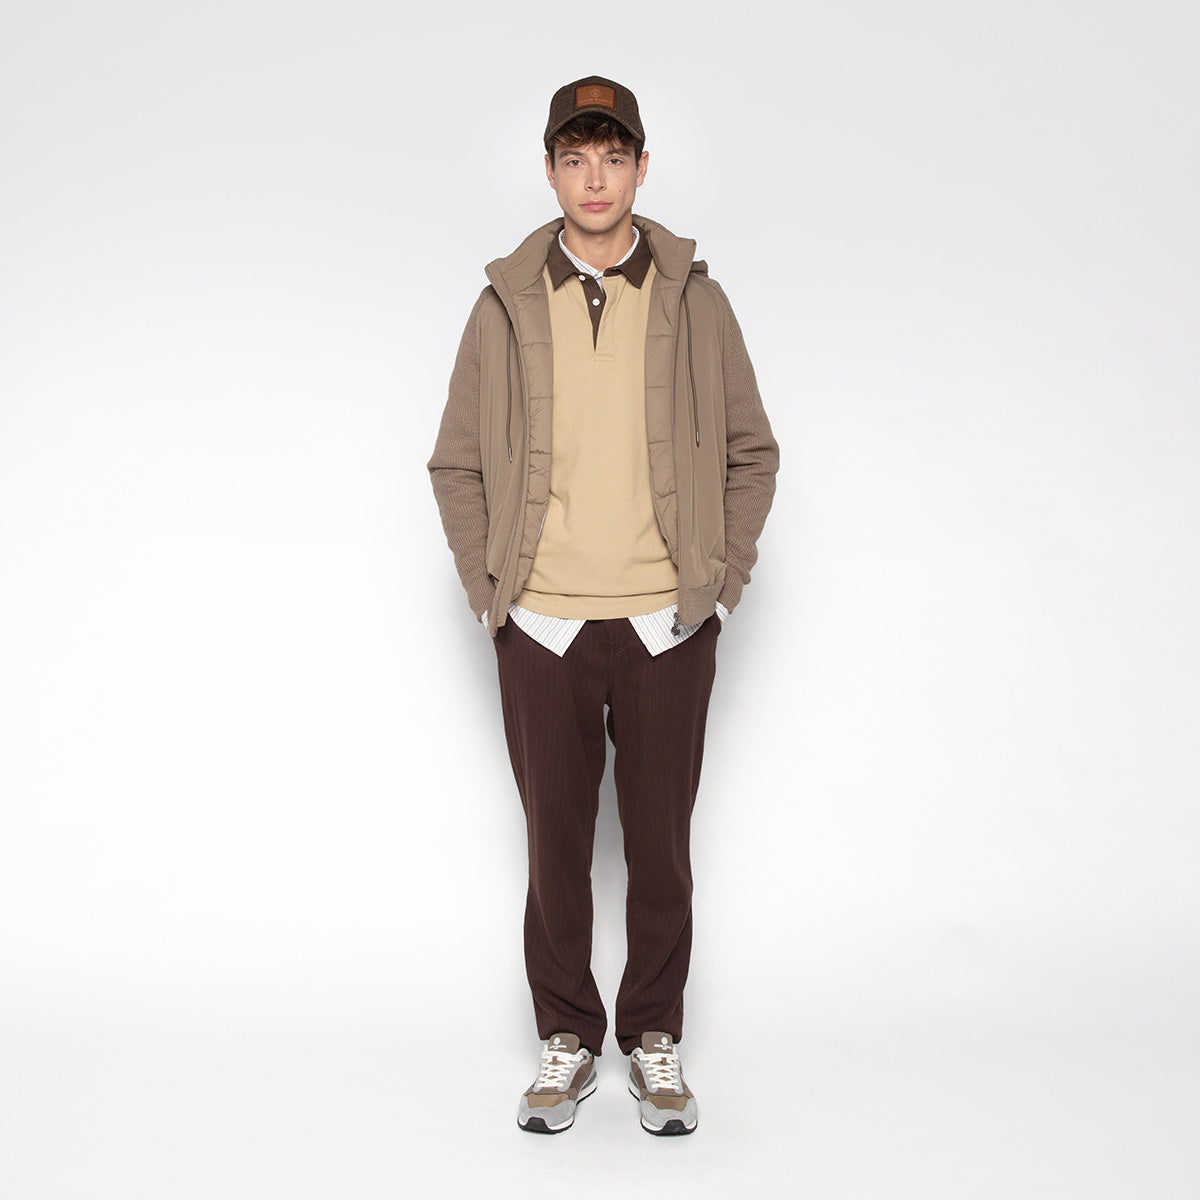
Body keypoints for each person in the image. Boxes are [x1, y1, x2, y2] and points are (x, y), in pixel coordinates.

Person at [428, 75, 779, 1136]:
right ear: (549, 171)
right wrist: (491, 592)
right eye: (575, 159)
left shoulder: (696, 301)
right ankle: (568, 1039)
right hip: (542, 621)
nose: (595, 178)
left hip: (668, 621)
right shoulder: (503, 305)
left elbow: (752, 452)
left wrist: (719, 585)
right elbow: (456, 463)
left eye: (613, 157)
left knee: (662, 848)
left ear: (640, 168)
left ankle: (654, 1037)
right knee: (556, 850)